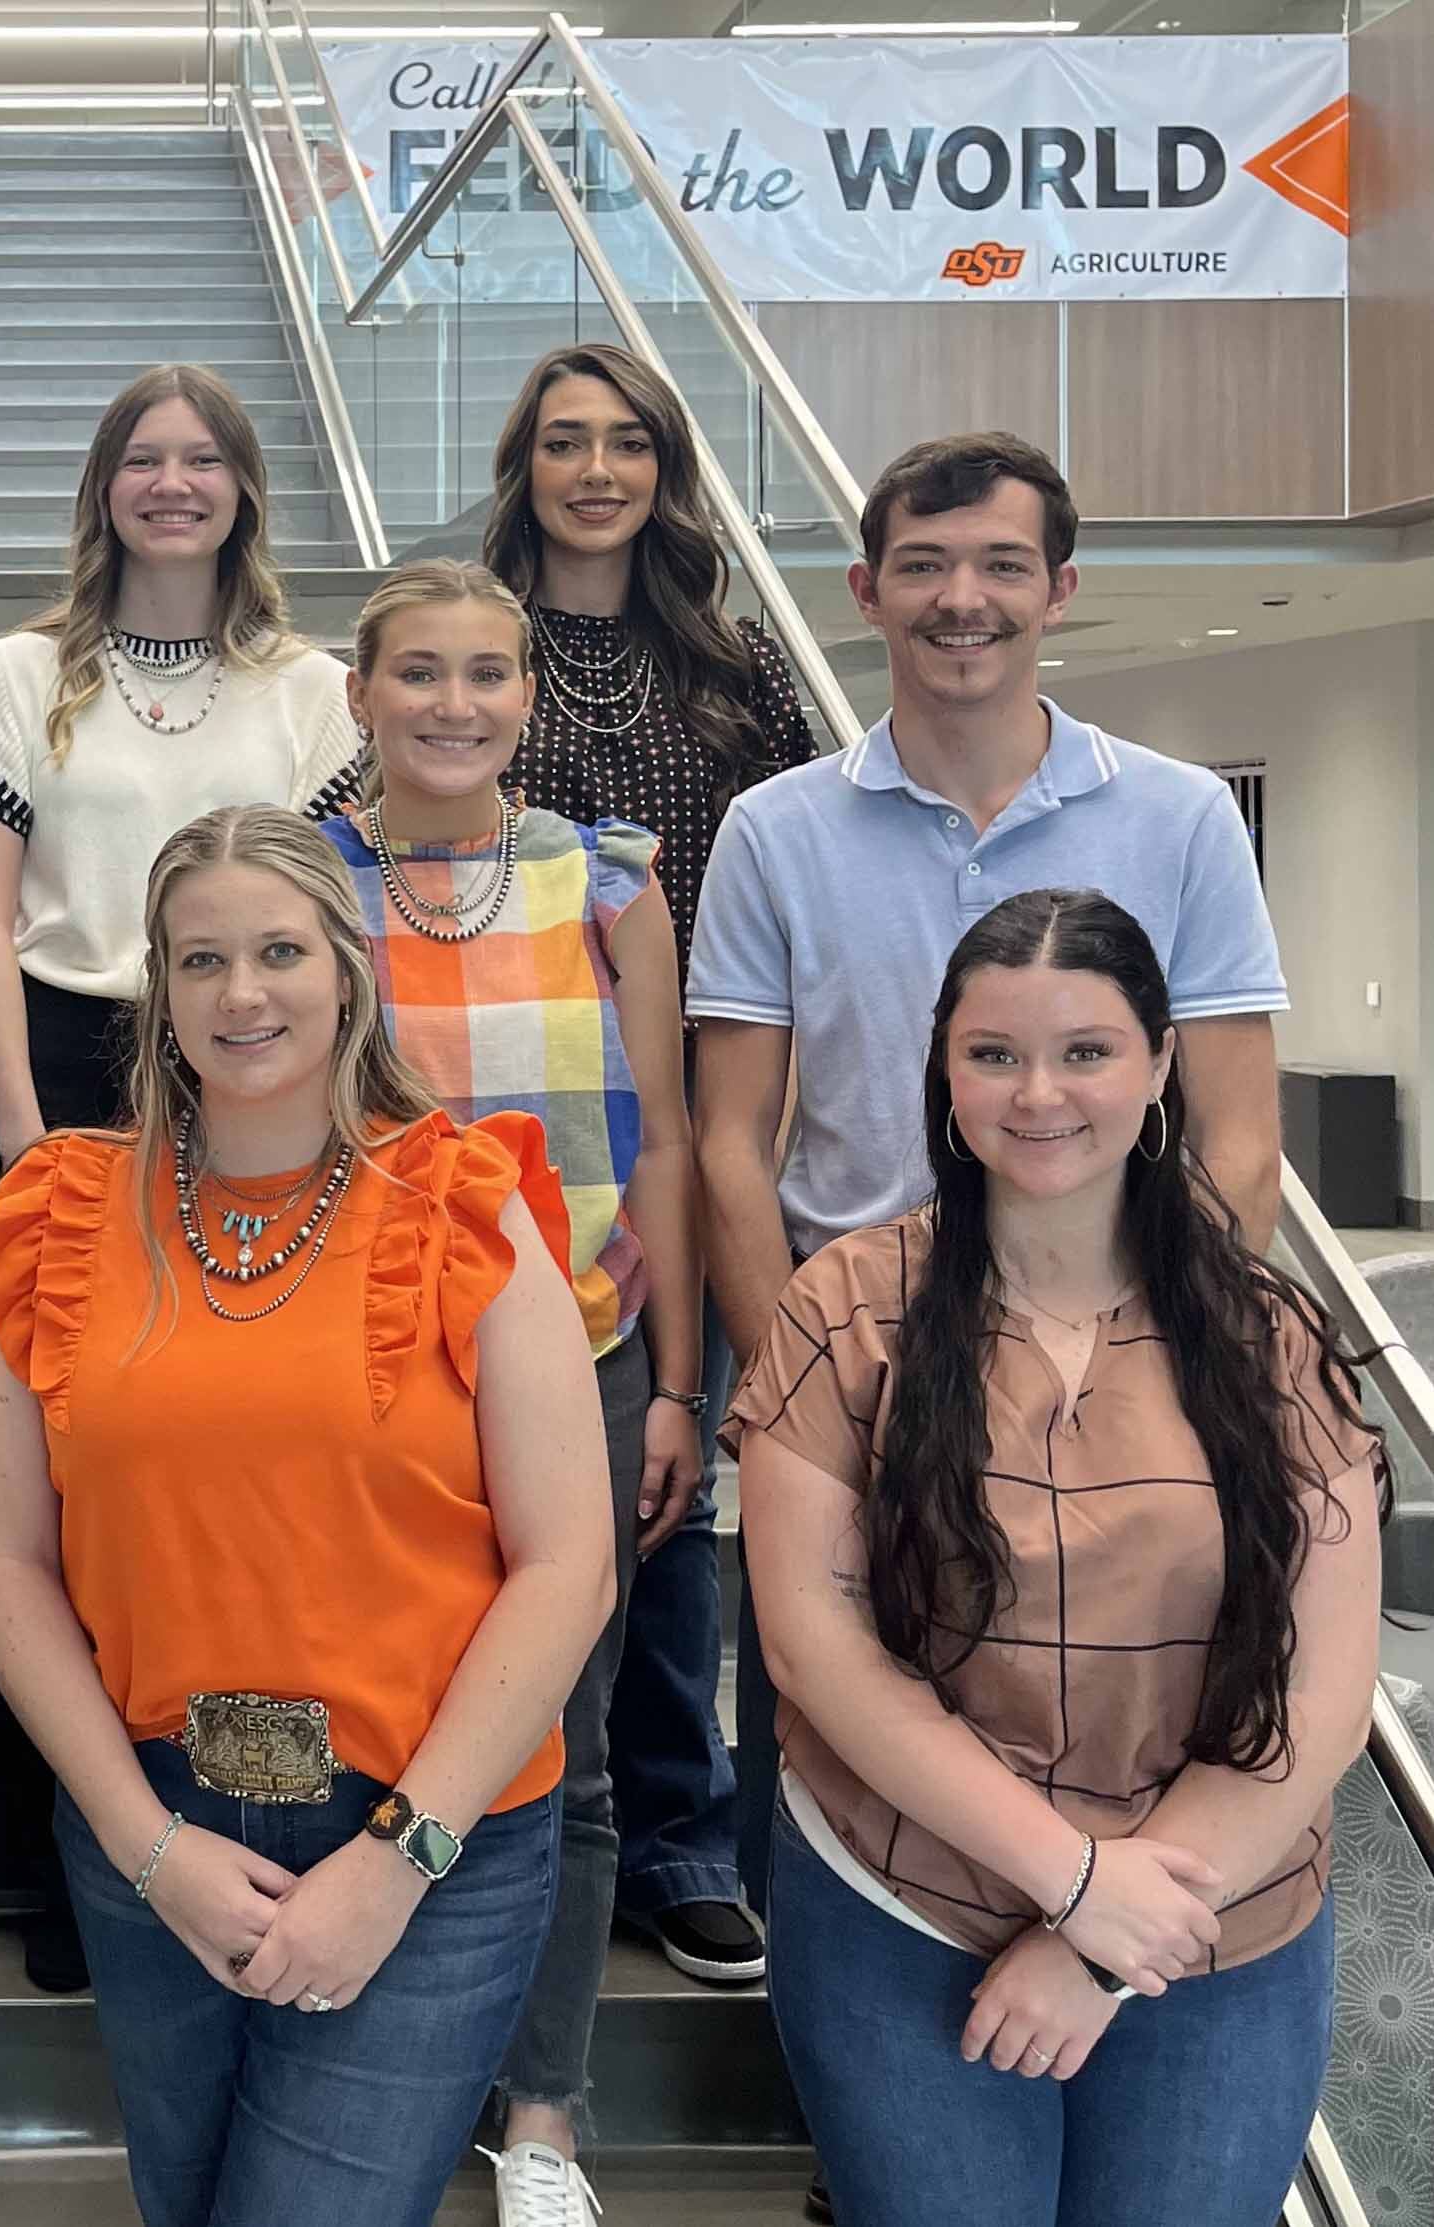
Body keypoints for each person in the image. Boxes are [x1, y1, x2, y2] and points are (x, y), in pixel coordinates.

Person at [0, 804, 613, 2227]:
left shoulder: (466, 1203)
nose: (242, 992)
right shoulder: (56, 1215)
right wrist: (144, 1843)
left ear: (345, 969)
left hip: (427, 1834)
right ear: (161, 988)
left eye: (277, 951)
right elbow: (3, 1560)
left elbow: (567, 1565)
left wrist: (397, 1860)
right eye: (202, 960)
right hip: (156, 1831)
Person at [689, 432, 1289, 1919]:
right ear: (866, 591)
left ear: (1062, 589)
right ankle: (856, 2122)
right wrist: (811, 1396)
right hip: (864, 1373)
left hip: (1119, 1380)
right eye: (926, 565)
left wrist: (1176, 1370)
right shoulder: (775, 830)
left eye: (1003, 564)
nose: (964, 598)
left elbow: (1239, 1136)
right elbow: (727, 1141)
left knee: (1111, 1758)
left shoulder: (1181, 817)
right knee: (838, 1791)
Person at [730, 887, 1382, 2227]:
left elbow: (1321, 1698)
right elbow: (814, 1642)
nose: (1039, 1093)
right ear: (945, 1078)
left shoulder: (1273, 1337)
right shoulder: (844, 1307)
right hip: (904, 1898)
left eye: (1085, 1050)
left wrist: (1102, 1947)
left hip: (1214, 1921)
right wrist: (1072, 1877)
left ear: (1155, 1071)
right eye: (994, 1053)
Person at [0, 364, 362, 1990]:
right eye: (142, 459)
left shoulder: (310, 692)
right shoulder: (19, 673)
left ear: (245, 489)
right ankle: (45, 1853)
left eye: (202, 460)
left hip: (249, 1060)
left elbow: (327, 919)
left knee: (203, 1456)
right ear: (103, 486)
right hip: (66, 1056)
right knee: (45, 1465)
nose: (171, 483)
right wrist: (31, 1140)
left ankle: (223, 1802)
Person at [321, 559, 699, 2226]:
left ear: (530, 702)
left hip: (591, 1356)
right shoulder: (308, 880)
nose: (454, 705)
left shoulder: (611, 883)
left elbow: (668, 1140)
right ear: (360, 695)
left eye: (488, 675)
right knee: (371, 1724)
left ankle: (540, 2114)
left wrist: (683, 1379)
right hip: (362, 1371)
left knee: (570, 1742)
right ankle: (378, 2061)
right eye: (418, 674)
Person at [484, 344, 816, 1992]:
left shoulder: (735, 664)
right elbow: (353, 827)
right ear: (522, 463)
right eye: (563, 441)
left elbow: (813, 855)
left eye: (625, 441)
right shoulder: (470, 640)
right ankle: (522, 1817)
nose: (594, 468)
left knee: (669, 1503)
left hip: (687, 1125)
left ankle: (678, 1834)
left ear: (664, 465)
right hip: (508, 1134)